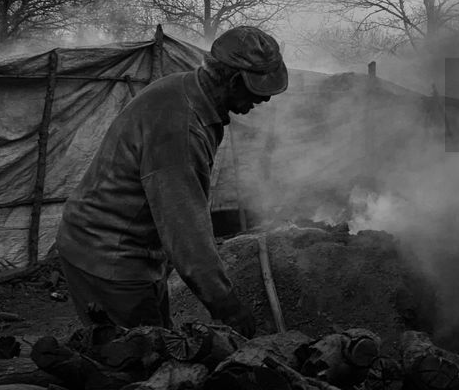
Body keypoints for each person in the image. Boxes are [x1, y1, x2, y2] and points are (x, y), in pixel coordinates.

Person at [55, 25, 290, 337]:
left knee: (162, 344)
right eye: (258, 94)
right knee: (136, 368)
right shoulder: (181, 128)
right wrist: (226, 303)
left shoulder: (184, 89)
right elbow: (185, 231)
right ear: (234, 81)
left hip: (126, 252)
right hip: (109, 257)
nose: (263, 102)